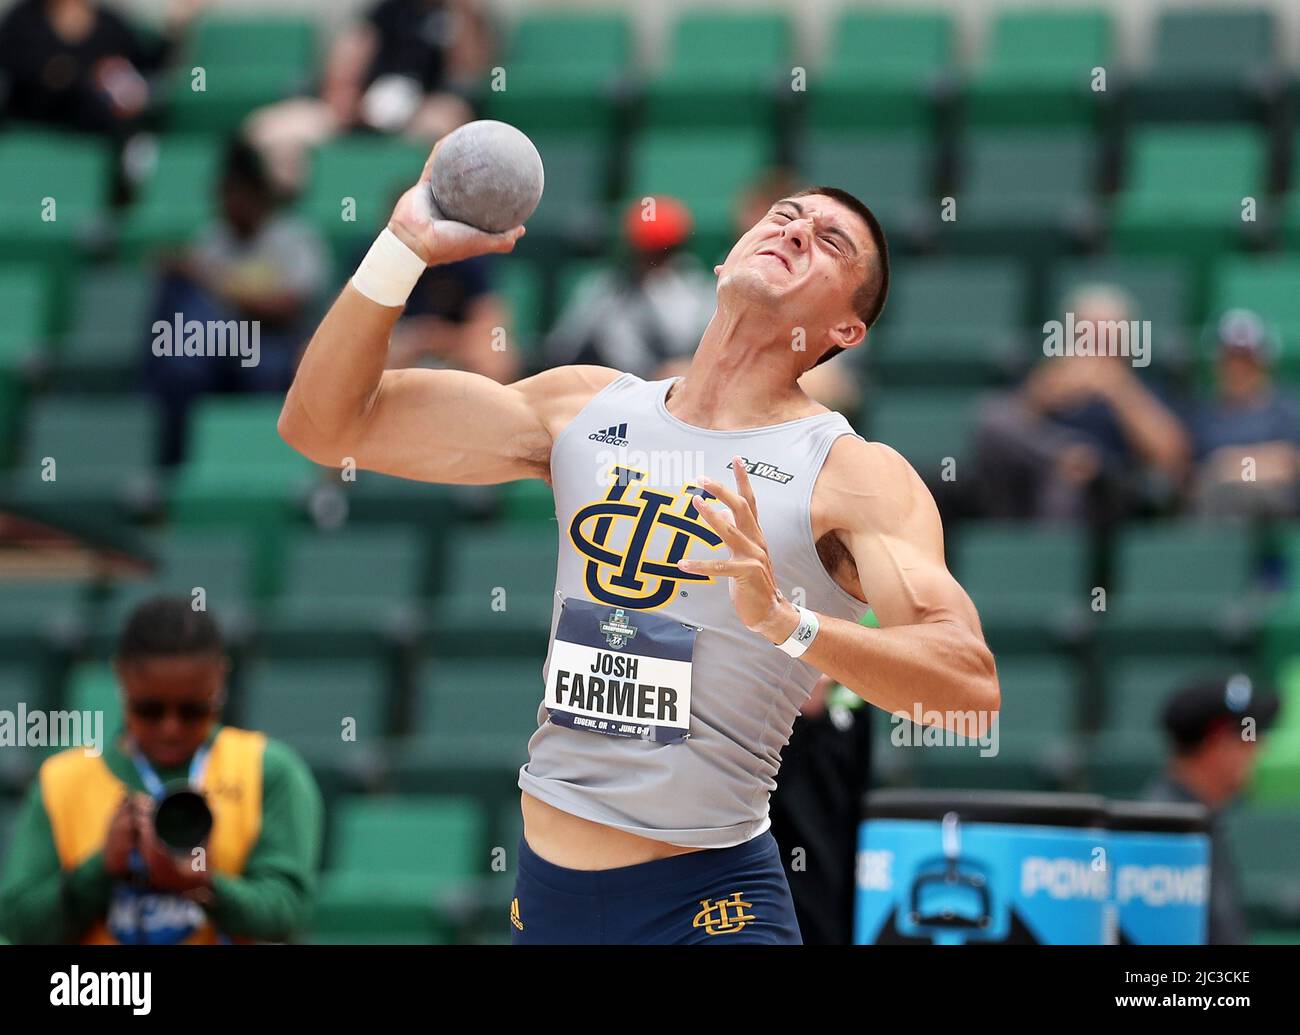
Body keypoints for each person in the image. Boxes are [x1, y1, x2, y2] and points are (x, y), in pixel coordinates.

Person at [277, 146, 1000, 944]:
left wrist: (788, 622)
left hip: (710, 904)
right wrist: (403, 245)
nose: (798, 231)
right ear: (727, 255)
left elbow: (969, 693)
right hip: (548, 900)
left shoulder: (852, 474)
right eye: (787, 216)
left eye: (832, 242)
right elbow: (323, 425)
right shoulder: (582, 406)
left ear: (846, 329)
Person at [0, 597, 324, 944]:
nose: (170, 729)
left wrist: (203, 886)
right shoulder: (62, 781)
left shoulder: (268, 771)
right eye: (150, 710)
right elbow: (19, 925)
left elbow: (288, 914)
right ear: (121, 676)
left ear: (220, 677)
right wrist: (102, 868)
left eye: (193, 710)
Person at [143, 138, 328, 465]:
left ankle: (267, 463)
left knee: (263, 368)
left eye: (236, 195)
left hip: (279, 342)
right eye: (223, 196)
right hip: (222, 345)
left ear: (257, 196)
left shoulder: (294, 238)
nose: (228, 205)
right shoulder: (212, 240)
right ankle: (175, 467)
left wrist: (217, 284)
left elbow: (287, 308)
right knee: (181, 363)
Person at [973, 284, 1190, 524]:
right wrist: (1044, 393)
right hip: (1038, 471)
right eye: (1088, 334)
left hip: (1107, 482)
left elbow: (1171, 456)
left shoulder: (1141, 387)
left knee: (1069, 479)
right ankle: (1062, 454)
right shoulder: (1052, 377)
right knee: (992, 415)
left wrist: (1120, 390)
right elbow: (1007, 428)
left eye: (1107, 335)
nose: (1097, 344)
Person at [244, 0, 491, 198]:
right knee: (266, 129)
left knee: (453, 127)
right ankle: (293, 216)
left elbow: (469, 72)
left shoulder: (462, 16)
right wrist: (345, 97)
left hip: (422, 113)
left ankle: (441, 208)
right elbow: (344, 67)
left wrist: (462, 11)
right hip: (358, 110)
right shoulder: (384, 12)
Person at [1143, 673, 1280, 945]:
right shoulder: (1165, 832)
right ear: (1217, 743)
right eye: (1248, 735)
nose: (1260, 749)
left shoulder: (1198, 820)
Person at [541, 196, 717, 380]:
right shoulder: (604, 290)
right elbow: (562, 351)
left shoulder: (695, 290)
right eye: (646, 252)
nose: (652, 262)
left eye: (663, 252)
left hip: (671, 393)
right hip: (612, 389)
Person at [767, 673, 872, 945]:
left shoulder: (853, 707)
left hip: (835, 849)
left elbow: (856, 774)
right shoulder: (764, 702)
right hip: (776, 842)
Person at [1188, 309, 1300, 518]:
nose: (1238, 368)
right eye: (1230, 359)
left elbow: (1289, 464)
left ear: (1263, 361)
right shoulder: (1203, 417)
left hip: (1274, 507)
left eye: (1246, 359)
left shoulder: (1286, 411)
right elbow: (1193, 477)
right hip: (1214, 509)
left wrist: (1233, 466)